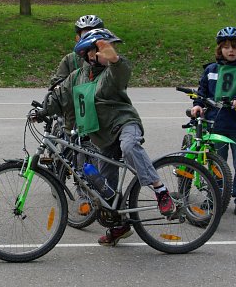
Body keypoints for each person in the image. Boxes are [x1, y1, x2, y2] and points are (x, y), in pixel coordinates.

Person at [36, 28, 175, 246]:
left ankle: (161, 191)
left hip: (124, 124)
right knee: (105, 190)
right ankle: (119, 225)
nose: (106, 52)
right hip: (102, 137)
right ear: (88, 53)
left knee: (129, 147)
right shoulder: (76, 77)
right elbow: (60, 96)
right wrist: (42, 111)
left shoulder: (111, 72)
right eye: (100, 49)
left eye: (108, 48)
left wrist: (115, 59)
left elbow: (122, 73)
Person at [190, 26, 236, 216]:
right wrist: (198, 105)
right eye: (226, 47)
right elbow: (202, 92)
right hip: (216, 124)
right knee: (216, 164)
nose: (231, 50)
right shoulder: (211, 70)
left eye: (235, 46)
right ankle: (215, 196)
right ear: (220, 49)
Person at [49, 15, 105, 89]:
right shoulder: (70, 59)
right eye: (85, 35)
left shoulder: (107, 57)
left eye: (93, 35)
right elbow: (57, 83)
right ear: (77, 38)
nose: (89, 39)